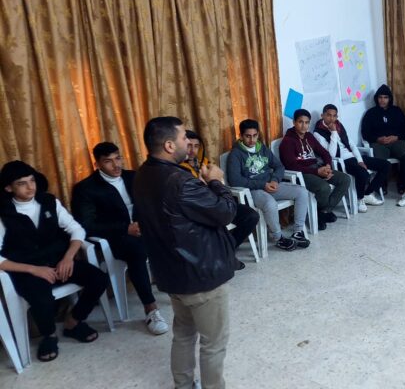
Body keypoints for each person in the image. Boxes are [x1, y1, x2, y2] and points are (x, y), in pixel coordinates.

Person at [133, 116, 238, 389]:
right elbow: (225, 212)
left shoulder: (142, 174)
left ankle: (183, 385)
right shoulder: (180, 181)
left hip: (171, 272)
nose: (187, 143)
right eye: (183, 138)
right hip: (201, 274)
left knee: (183, 333)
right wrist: (216, 182)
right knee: (213, 343)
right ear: (169, 145)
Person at [0, 161, 108, 362]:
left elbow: (76, 229)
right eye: (22, 183)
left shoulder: (49, 201)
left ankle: (73, 322)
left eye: (32, 180)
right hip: (27, 269)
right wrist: (33, 269)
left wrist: (68, 258)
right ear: (8, 188)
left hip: (59, 262)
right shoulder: (3, 213)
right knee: (42, 299)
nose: (30, 187)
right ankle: (48, 336)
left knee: (99, 279)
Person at [71, 142, 169, 335]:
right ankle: (151, 309)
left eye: (118, 158)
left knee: (174, 233)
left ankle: (180, 286)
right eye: (108, 161)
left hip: (142, 229)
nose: (116, 165)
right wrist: (125, 228)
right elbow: (86, 225)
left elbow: (151, 204)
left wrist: (147, 223)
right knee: (136, 250)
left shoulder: (133, 176)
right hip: (114, 238)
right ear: (97, 164)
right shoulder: (86, 188)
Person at [178, 129, 260, 265]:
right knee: (216, 223)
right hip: (201, 208)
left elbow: (219, 182)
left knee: (251, 216)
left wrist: (213, 181)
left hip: (218, 202)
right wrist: (206, 181)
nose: (192, 150)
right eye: (189, 146)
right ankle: (225, 255)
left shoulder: (204, 162)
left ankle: (226, 251)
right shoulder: (179, 168)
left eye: (196, 146)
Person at [226, 119, 310, 251]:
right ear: (241, 136)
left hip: (270, 185)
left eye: (255, 135)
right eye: (248, 136)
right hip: (253, 190)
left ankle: (298, 232)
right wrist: (262, 184)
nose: (252, 140)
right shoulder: (236, 154)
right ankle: (278, 238)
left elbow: (279, 166)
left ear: (258, 134)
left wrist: (275, 180)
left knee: (302, 192)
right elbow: (235, 180)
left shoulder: (262, 148)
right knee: (270, 203)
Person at [279, 109, 351, 231]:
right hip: (301, 174)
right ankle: (320, 213)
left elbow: (325, 153)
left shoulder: (309, 136)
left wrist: (328, 166)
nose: (304, 126)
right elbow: (291, 166)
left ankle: (323, 211)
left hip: (317, 168)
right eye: (300, 122)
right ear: (294, 122)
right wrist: (317, 172)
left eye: (307, 122)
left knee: (345, 179)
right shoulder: (287, 141)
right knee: (324, 188)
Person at [313, 104, 388, 213]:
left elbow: (351, 145)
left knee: (386, 165)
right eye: (328, 115)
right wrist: (333, 132)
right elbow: (331, 154)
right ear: (322, 115)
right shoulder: (318, 133)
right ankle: (360, 199)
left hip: (352, 157)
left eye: (334, 116)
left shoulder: (339, 126)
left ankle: (367, 194)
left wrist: (360, 160)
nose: (332, 119)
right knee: (363, 173)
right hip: (341, 161)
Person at [360, 84, 405, 192]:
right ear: (376, 98)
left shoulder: (397, 111)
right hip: (378, 143)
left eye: (385, 97)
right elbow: (365, 133)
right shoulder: (370, 113)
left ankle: (403, 184)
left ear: (390, 99)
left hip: (396, 141)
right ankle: (382, 185)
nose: (382, 100)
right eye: (380, 97)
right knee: (379, 159)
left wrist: (396, 137)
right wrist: (377, 139)